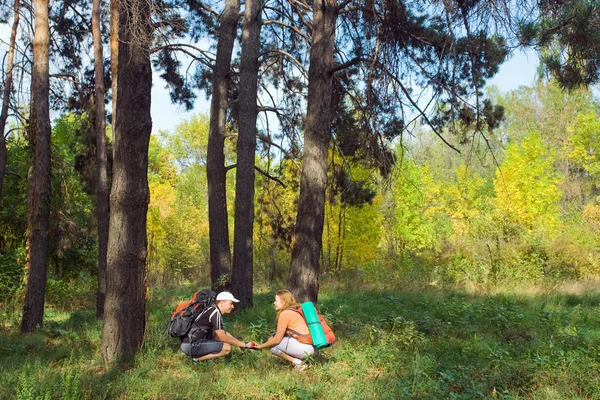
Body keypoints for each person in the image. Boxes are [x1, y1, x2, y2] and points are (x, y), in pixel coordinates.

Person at [181, 291, 255, 361]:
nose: (232, 306)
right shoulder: (215, 312)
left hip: (191, 343)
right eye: (231, 303)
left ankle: (208, 358)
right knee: (227, 348)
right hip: (191, 346)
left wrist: (242, 345)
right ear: (222, 303)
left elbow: (220, 334)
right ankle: (195, 360)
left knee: (225, 334)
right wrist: (245, 345)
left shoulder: (212, 309)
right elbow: (223, 338)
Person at [255, 289, 315, 371]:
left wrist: (261, 346)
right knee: (274, 338)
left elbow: (276, 340)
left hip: (304, 349)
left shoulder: (285, 313)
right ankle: (306, 361)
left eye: (276, 301)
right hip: (314, 349)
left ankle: (298, 362)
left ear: (283, 302)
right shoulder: (297, 309)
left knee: (271, 342)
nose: (274, 303)